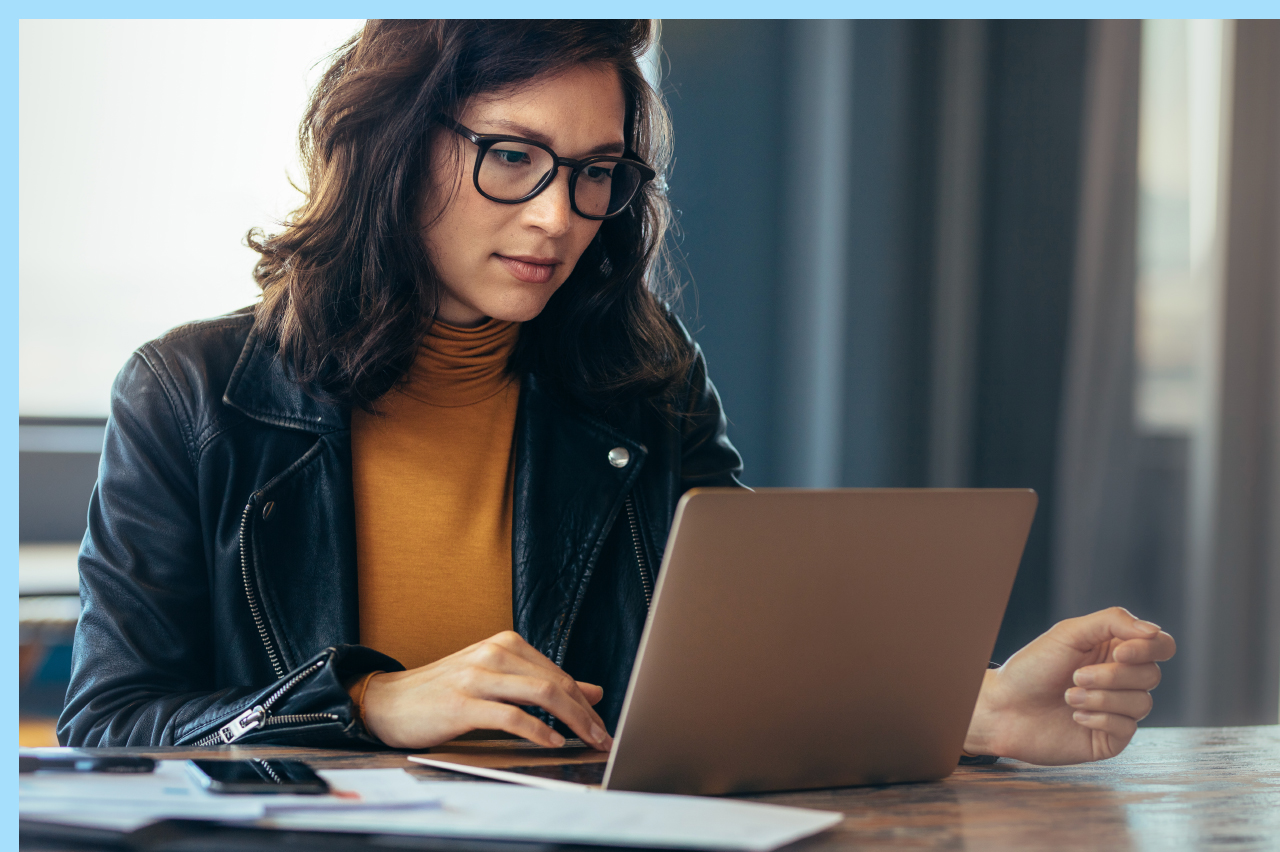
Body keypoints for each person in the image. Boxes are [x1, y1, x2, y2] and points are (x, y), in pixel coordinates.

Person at [58, 20, 1175, 766]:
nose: (557, 216)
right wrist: (364, 704)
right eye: (511, 157)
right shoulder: (192, 393)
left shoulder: (642, 375)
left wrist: (970, 707)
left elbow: (745, 661)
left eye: (596, 172)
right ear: (392, 145)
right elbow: (109, 725)